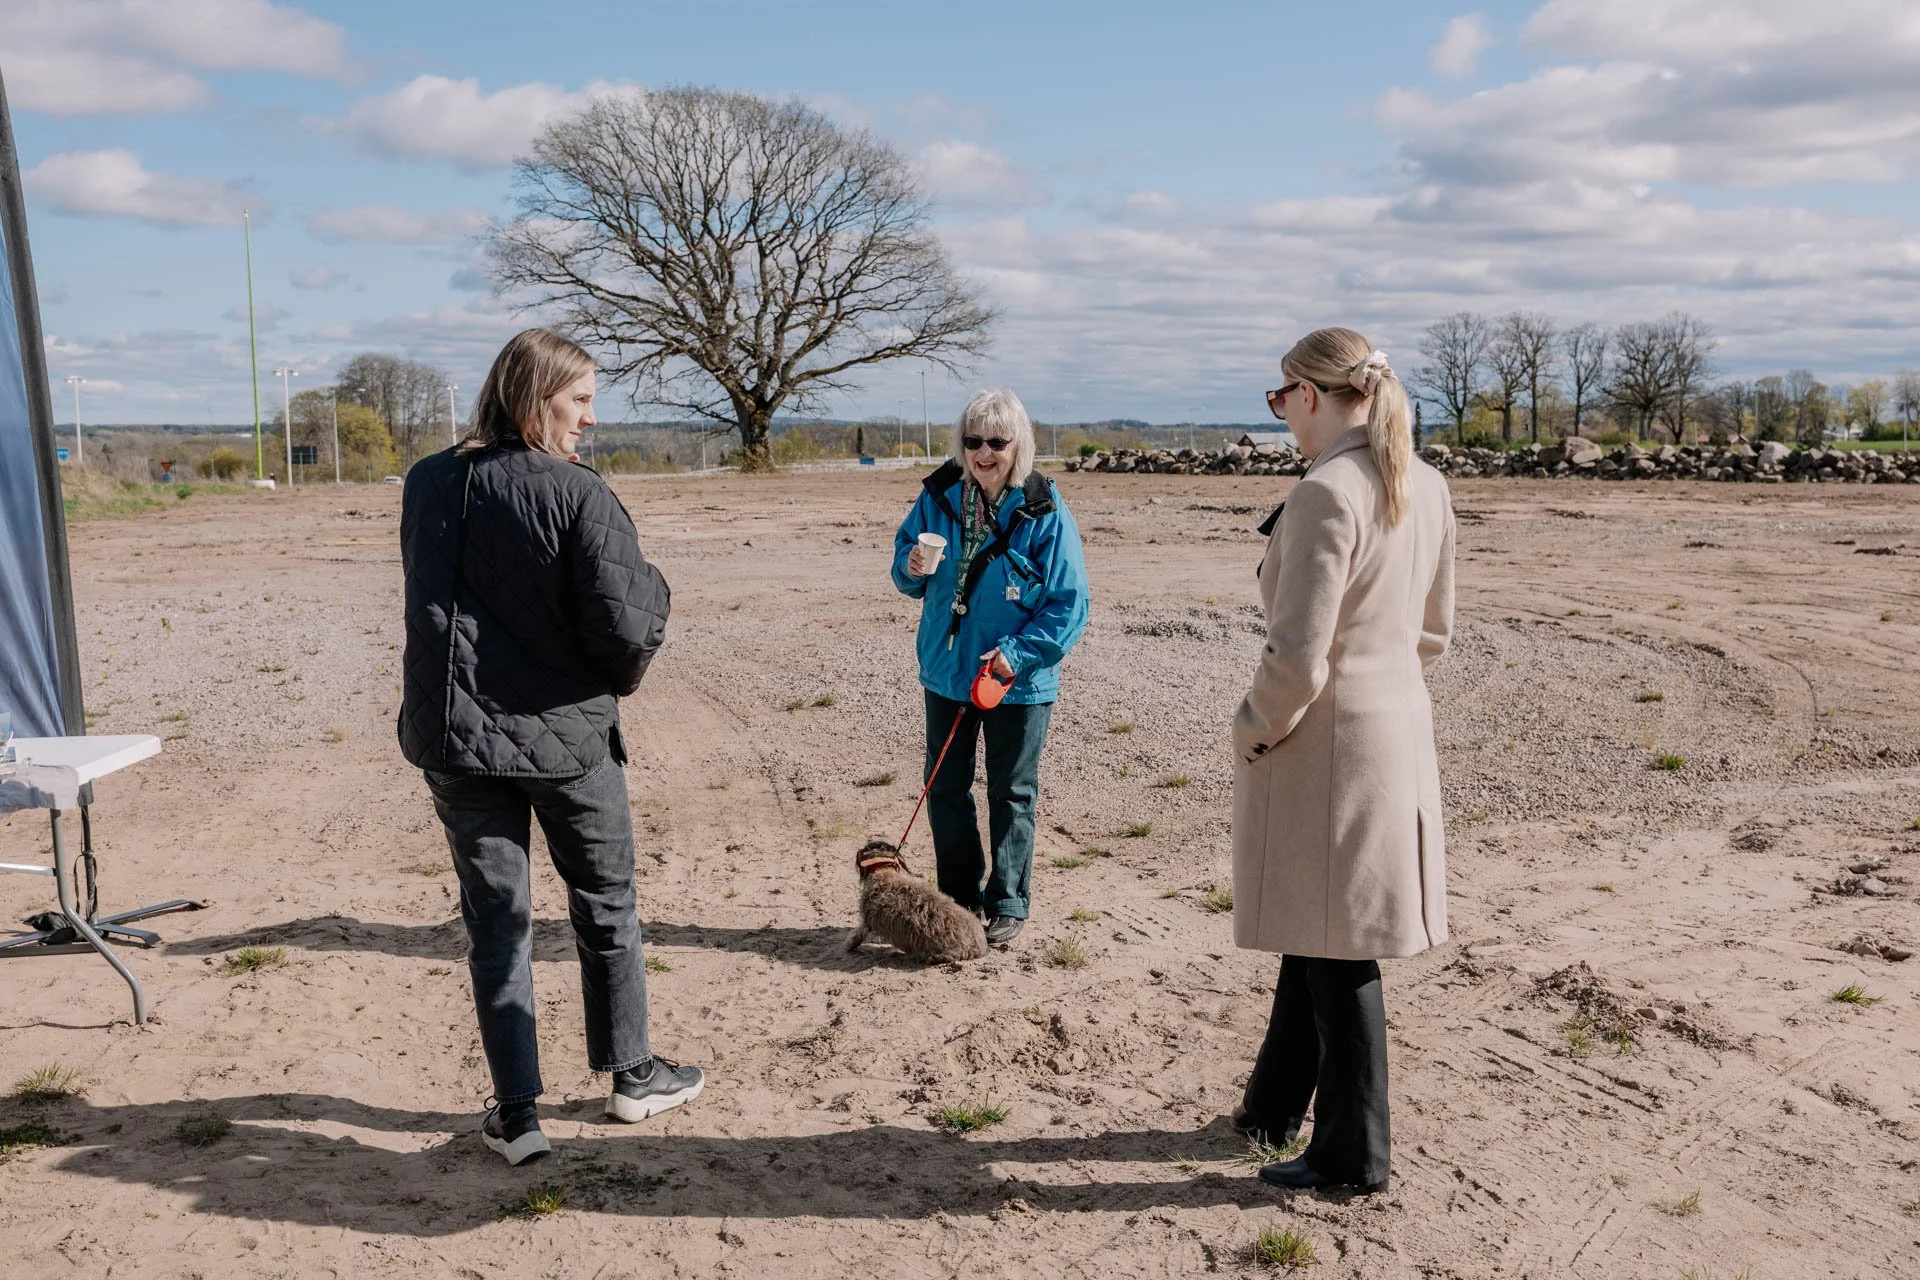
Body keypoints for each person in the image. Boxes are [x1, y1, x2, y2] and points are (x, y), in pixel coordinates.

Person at [399, 328, 702, 1166]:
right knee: (606, 902)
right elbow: (629, 623)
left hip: (455, 739)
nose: (590, 418)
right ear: (536, 399)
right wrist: (611, 680)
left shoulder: (426, 481)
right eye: (580, 400)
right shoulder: (577, 491)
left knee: (496, 923)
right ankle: (632, 1075)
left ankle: (517, 1114)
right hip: (565, 738)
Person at [1229, 327, 1455, 1195]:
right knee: (1318, 925)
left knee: (1339, 948)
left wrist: (1253, 727)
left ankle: (1354, 1152)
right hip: (1393, 732)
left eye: (1280, 398)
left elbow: (1297, 657)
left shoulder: (1327, 492)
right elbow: (1434, 633)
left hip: (1324, 744)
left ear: (1311, 395)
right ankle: (1272, 1109)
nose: (1280, 415)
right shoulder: (1425, 482)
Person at [891, 388, 1090, 946]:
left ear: (1017, 444)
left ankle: (1008, 901)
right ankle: (958, 899)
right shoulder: (937, 496)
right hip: (947, 669)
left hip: (1015, 680)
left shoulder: (1045, 509)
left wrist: (1016, 655)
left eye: (997, 442)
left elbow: (1069, 603)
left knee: (1011, 791)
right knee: (945, 789)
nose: (984, 452)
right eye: (973, 440)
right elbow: (906, 572)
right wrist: (909, 565)